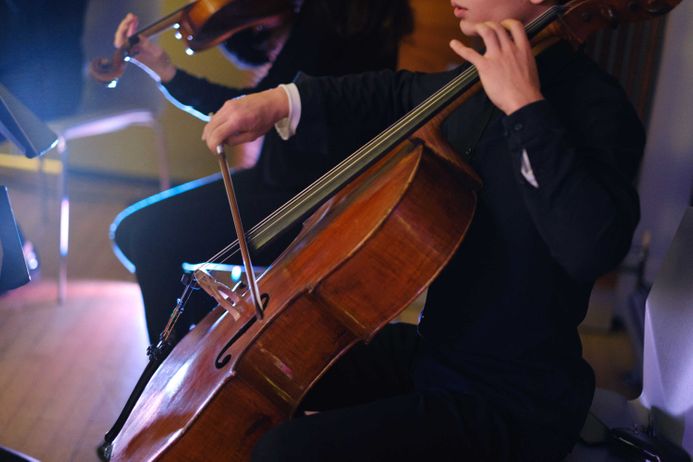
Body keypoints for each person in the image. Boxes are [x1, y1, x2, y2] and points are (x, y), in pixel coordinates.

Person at [201, 0, 646, 460]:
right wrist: (277, 101)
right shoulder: (474, 80)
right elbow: (396, 92)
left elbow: (591, 248)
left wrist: (524, 107)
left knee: (285, 453)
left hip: (512, 400)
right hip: (439, 353)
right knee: (262, 362)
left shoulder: (598, 106)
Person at [110, 0, 414, 345]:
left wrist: (166, 70)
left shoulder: (327, 20)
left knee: (150, 239)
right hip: (279, 176)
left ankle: (179, 370)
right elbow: (257, 68)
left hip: (307, 201)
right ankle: (204, 348)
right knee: (132, 231)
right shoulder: (349, 16)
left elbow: (250, 107)